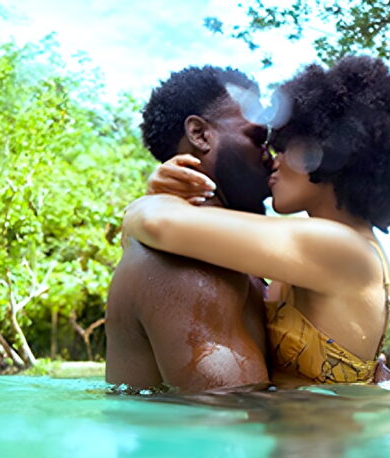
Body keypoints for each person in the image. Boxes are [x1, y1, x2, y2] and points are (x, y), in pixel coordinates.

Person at [124, 55, 390, 386]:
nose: (272, 161)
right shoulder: (321, 254)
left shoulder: (340, 247)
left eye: (284, 146)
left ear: (324, 151)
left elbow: (158, 226)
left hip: (328, 436)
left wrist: (143, 203)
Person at [105, 65, 274, 394]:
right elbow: (234, 430)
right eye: (257, 138)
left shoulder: (228, 256)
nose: (271, 156)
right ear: (199, 134)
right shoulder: (190, 268)